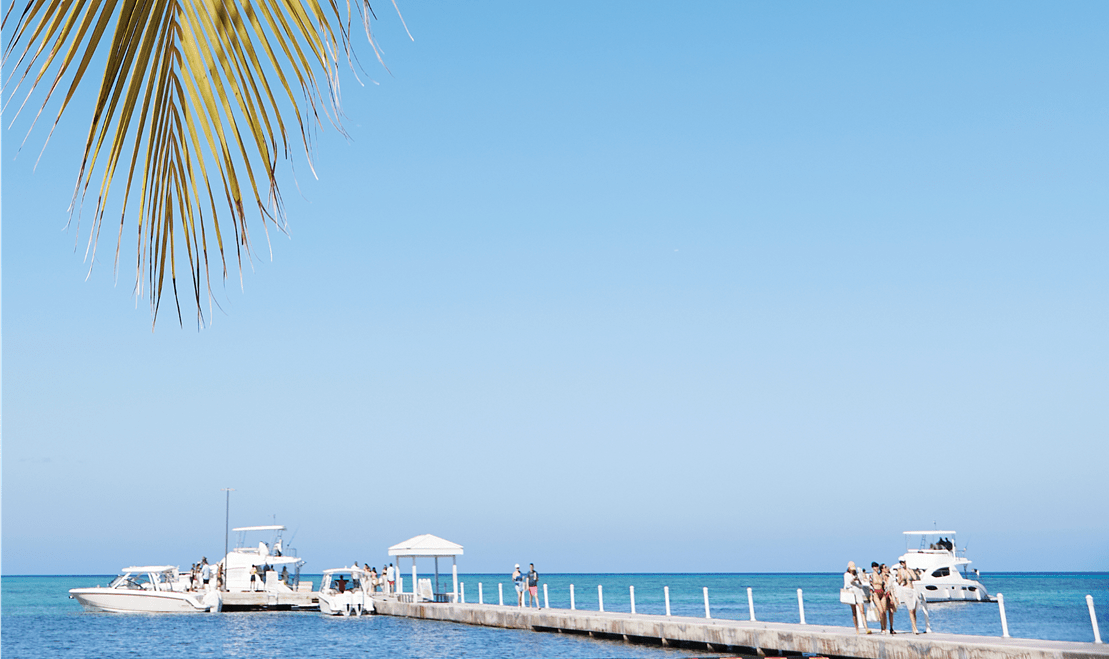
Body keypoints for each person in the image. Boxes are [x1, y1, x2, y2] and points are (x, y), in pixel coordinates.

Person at [896, 559, 932, 634]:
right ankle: (915, 628)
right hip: (905, 590)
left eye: (904, 562)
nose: (903, 563)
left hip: (912, 590)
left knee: (914, 610)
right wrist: (902, 579)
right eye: (901, 562)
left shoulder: (909, 570)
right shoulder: (900, 571)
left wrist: (910, 572)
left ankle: (914, 627)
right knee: (910, 610)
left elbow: (915, 578)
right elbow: (899, 582)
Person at [843, 561, 869, 633]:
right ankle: (857, 629)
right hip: (852, 593)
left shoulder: (856, 574)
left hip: (858, 592)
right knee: (854, 612)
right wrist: (853, 580)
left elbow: (860, 585)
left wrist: (859, 579)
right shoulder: (846, 575)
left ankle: (866, 628)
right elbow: (847, 585)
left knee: (862, 611)